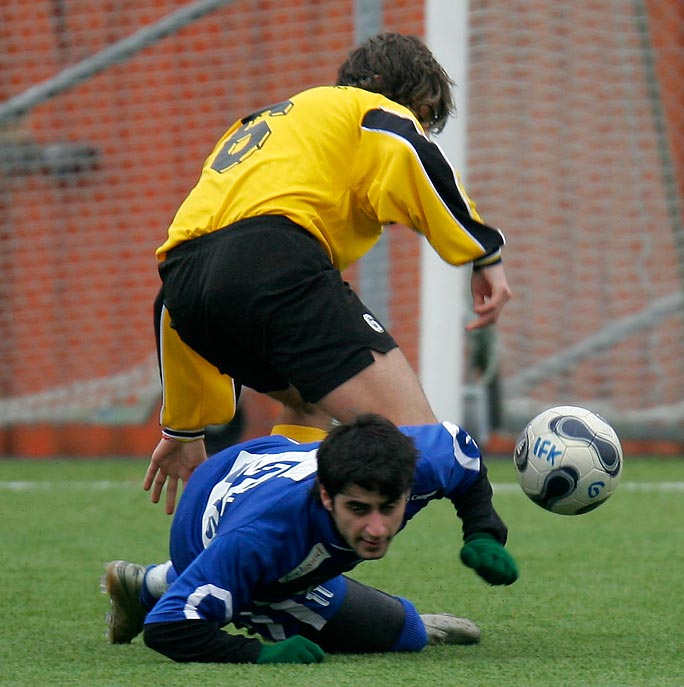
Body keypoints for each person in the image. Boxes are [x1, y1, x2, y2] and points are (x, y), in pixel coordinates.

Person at [146, 32, 512, 514]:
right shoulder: (368, 110)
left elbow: (180, 285)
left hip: (186, 289)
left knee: (312, 405)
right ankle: (277, 562)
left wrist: (184, 425)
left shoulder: (268, 127)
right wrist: (483, 253)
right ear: (389, 90)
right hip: (273, 265)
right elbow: (411, 150)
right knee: (419, 451)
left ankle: (233, 550)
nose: (420, 130)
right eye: (422, 117)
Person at [105, 414, 518, 664]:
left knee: (392, 627)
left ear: (408, 490)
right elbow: (168, 628)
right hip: (208, 532)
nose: (376, 529)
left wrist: (483, 533)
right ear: (326, 494)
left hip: (260, 464)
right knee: (403, 633)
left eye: (388, 508)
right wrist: (258, 655)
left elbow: (464, 455)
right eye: (358, 509)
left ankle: (158, 581)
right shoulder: (267, 537)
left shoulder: (421, 464)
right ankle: (156, 587)